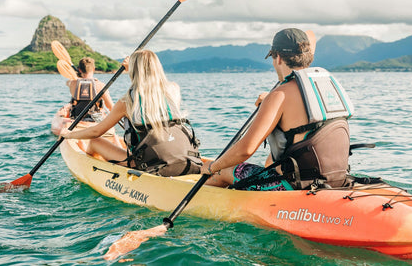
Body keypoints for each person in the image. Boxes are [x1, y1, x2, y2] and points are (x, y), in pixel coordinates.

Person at [200, 28, 354, 190]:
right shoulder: (325, 87)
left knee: (225, 170)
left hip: (295, 187)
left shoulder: (279, 95)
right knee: (272, 161)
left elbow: (245, 150)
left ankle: (201, 200)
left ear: (278, 58)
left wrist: (212, 167)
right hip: (335, 180)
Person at [59, 50, 202, 177]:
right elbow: (148, 94)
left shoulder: (126, 102)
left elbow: (96, 131)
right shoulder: (174, 90)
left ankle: (95, 170)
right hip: (183, 157)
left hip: (149, 164)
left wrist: (69, 134)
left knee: (95, 142)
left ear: (134, 71)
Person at [67, 57, 114, 122]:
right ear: (93, 69)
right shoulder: (100, 85)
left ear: (80, 70)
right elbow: (110, 106)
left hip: (76, 118)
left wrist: (78, 76)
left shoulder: (72, 83)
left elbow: (70, 81)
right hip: (95, 119)